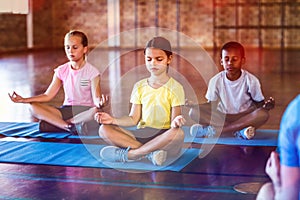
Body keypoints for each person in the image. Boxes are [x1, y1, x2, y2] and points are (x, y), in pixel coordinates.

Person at [95, 36, 186, 166]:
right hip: (142, 134)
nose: (153, 63)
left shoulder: (176, 87)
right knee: (104, 129)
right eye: (149, 59)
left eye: (159, 59)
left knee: (178, 133)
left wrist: (176, 122)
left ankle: (131, 155)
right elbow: (133, 119)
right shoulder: (139, 86)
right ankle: (149, 154)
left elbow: (174, 124)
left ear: (169, 59)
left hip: (164, 137)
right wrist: (112, 120)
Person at [9, 30, 107, 134]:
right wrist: (24, 100)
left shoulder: (92, 72)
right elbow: (48, 95)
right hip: (66, 110)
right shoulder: (61, 70)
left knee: (96, 111)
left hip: (85, 111)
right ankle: (68, 126)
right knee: (32, 107)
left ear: (84, 49)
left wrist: (100, 103)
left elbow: (96, 99)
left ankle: (58, 124)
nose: (70, 51)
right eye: (67, 47)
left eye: (75, 47)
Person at [188, 41, 275, 139]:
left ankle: (217, 131)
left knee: (263, 114)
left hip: (244, 117)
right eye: (226, 59)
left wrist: (266, 107)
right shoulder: (215, 81)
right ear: (221, 62)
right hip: (223, 117)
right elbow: (211, 106)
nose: (230, 63)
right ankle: (239, 131)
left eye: (234, 59)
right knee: (193, 112)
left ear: (242, 61)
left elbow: (259, 105)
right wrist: (196, 106)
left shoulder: (251, 80)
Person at [256, 95, 300, 200]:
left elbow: (288, 195)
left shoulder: (294, 113)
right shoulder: (294, 113)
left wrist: (277, 182)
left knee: (267, 192)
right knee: (267, 192)